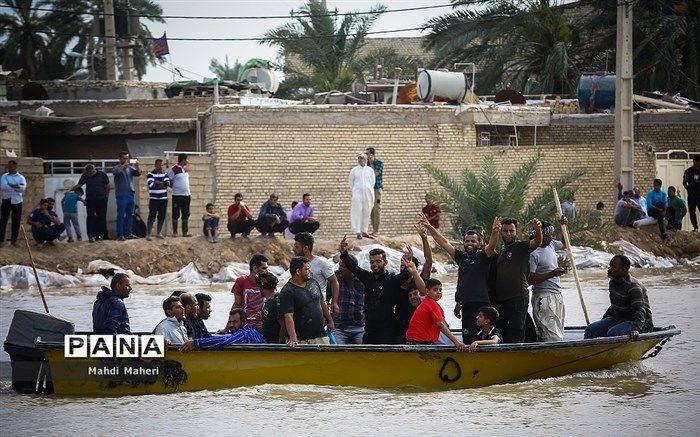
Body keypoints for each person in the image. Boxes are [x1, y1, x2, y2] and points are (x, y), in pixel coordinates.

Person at [421, 215, 499, 344]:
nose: (469, 243)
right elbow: (444, 242)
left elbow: (491, 246)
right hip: (466, 305)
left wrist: (495, 233)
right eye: (467, 241)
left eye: (473, 241)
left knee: (478, 339)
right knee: (467, 336)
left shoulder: (483, 257)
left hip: (481, 304)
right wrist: (429, 226)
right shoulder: (462, 257)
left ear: (479, 243)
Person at [339, 236, 423, 344]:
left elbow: (404, 275)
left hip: (387, 333)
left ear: (385, 262)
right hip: (369, 332)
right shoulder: (367, 278)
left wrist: (409, 263)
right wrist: (344, 252)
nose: (374, 264)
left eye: (378, 261)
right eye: (372, 262)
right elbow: (353, 267)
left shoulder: (392, 280)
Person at [491, 217, 543, 343]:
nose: (508, 233)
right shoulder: (502, 251)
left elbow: (536, 242)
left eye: (511, 231)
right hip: (502, 299)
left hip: (518, 297)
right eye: (505, 231)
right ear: (501, 232)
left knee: (516, 331)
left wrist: (537, 229)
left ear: (516, 232)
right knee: (503, 330)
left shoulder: (521, 247)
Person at [584, 255, 653, 340]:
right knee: (590, 329)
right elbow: (614, 306)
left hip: (640, 323)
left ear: (623, 270)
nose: (608, 269)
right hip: (619, 319)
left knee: (613, 333)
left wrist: (635, 329)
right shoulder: (613, 282)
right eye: (609, 266)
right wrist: (603, 320)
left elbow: (640, 311)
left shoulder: (633, 287)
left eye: (612, 267)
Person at [529, 220, 567, 342]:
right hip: (543, 297)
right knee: (551, 335)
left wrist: (563, 226)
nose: (550, 238)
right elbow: (531, 279)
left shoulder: (551, 245)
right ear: (539, 235)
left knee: (558, 330)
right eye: (547, 235)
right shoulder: (533, 253)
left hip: (556, 294)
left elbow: (565, 242)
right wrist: (552, 273)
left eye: (551, 235)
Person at [277, 257, 329, 346]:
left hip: (320, 336)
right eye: (307, 269)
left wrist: (330, 321)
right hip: (301, 340)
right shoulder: (287, 291)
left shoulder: (314, 283)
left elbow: (321, 301)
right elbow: (288, 316)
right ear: (298, 271)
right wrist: (293, 338)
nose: (310, 272)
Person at [405, 278, 465, 351]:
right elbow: (440, 325)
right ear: (427, 291)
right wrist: (456, 342)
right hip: (419, 343)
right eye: (435, 290)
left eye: (440, 290)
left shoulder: (427, 302)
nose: (439, 292)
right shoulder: (431, 303)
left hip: (414, 342)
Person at [293, 232, 340, 321]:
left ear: (306, 248)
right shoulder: (296, 263)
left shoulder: (321, 263)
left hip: (319, 309)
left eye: (296, 247)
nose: (293, 249)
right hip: (300, 308)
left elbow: (334, 281)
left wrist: (334, 302)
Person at [180, 309, 266, 351]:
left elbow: (226, 340)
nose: (231, 325)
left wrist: (196, 343)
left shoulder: (243, 334)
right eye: (230, 322)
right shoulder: (252, 330)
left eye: (235, 322)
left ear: (244, 322)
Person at [228, 254, 268, 330]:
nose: (266, 271)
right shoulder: (241, 281)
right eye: (264, 268)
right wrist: (227, 327)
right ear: (255, 269)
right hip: (245, 326)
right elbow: (236, 304)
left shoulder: (267, 282)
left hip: (263, 327)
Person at [332, 254, 366, 344]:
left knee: (365, 351)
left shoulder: (363, 279)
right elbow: (325, 298)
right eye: (339, 265)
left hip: (360, 326)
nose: (340, 268)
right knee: (337, 353)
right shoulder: (335, 278)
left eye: (343, 267)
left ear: (352, 268)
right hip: (339, 327)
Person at [112, 151, 141, 241]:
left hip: (130, 194)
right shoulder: (116, 167)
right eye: (124, 158)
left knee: (130, 214)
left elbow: (138, 173)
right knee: (121, 215)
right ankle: (120, 234)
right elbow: (116, 173)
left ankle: (128, 233)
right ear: (120, 158)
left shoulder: (130, 168)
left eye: (127, 158)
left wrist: (137, 165)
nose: (126, 160)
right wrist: (124, 166)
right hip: (121, 195)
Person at [78, 164, 110, 242]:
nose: (89, 175)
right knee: (90, 217)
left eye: (91, 173)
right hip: (90, 200)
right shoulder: (85, 175)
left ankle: (103, 236)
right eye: (88, 173)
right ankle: (91, 236)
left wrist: (106, 196)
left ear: (94, 170)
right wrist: (69, 190)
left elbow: (107, 185)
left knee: (102, 217)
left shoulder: (102, 174)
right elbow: (79, 185)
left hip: (101, 199)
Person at [349, 153, 375, 239]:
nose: (360, 161)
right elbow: (351, 183)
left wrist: (367, 189)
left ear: (365, 160)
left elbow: (372, 182)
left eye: (362, 159)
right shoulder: (354, 170)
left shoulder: (370, 170)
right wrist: (356, 190)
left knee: (367, 211)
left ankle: (364, 231)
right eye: (359, 159)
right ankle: (357, 231)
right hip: (357, 193)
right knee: (357, 212)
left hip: (368, 193)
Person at [0, 160, 26, 247]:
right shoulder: (4, 176)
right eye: (8, 166)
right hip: (6, 200)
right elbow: (4, 187)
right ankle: (1, 240)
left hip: (17, 200)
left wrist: (11, 185)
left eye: (11, 166)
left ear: (15, 167)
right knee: (3, 220)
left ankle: (14, 240)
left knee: (16, 221)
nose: (9, 168)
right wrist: (16, 186)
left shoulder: (21, 177)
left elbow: (22, 189)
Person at [145, 158, 170, 241]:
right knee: (152, 216)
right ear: (155, 165)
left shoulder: (165, 174)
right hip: (154, 199)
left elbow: (167, 184)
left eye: (162, 165)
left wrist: (157, 182)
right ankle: (148, 234)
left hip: (163, 198)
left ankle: (158, 233)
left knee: (162, 216)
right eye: (159, 165)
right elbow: (151, 185)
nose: (161, 166)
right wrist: (159, 183)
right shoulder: (150, 174)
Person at [168, 153, 191, 237]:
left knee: (186, 213)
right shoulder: (174, 169)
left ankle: (185, 232)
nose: (187, 161)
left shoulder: (185, 168)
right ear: (183, 160)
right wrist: (174, 187)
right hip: (177, 195)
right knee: (176, 213)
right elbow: (168, 180)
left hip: (187, 195)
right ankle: (175, 232)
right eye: (186, 159)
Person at [256, 272, 282, 344]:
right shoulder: (269, 301)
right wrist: (262, 317)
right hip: (266, 339)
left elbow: (283, 325)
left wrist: (280, 345)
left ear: (261, 288)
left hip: (273, 343)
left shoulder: (276, 302)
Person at [365, 147, 383, 236]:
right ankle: (373, 230)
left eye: (368, 154)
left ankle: (376, 230)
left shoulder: (379, 163)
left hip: (377, 189)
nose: (367, 156)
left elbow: (375, 175)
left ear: (372, 154)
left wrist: (371, 163)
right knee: (371, 210)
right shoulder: (366, 165)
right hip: (369, 189)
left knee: (376, 209)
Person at [683, 154, 700, 232]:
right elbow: (684, 183)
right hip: (692, 196)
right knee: (692, 212)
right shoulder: (688, 171)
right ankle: (695, 227)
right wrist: (689, 190)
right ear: (695, 162)